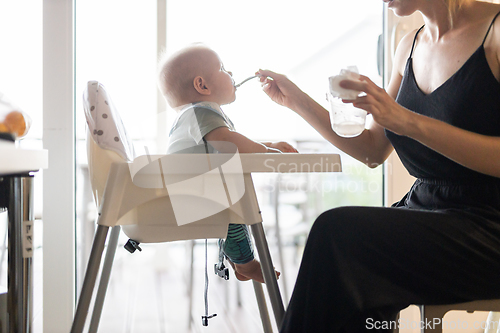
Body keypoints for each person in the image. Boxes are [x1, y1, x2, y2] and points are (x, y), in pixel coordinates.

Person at [256, 0, 500, 331]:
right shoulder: (408, 47)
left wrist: (406, 121)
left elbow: (404, 124)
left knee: (337, 235)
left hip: (489, 224)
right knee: (348, 266)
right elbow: (372, 150)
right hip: (428, 209)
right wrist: (295, 100)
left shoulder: (496, 30)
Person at [157, 44, 296, 283]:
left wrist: (269, 145)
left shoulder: (199, 113)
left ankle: (238, 260)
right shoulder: (200, 111)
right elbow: (227, 141)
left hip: (190, 191)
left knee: (236, 208)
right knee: (233, 213)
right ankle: (246, 263)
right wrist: (266, 150)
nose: (231, 73)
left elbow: (227, 141)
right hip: (190, 195)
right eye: (222, 68)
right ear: (202, 86)